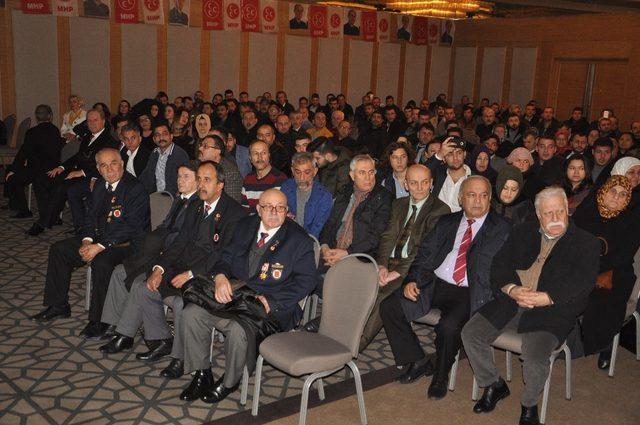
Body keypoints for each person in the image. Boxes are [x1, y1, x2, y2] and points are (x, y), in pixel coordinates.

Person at [461, 187, 600, 425]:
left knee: (534, 359)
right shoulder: (522, 232)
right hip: (511, 303)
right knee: (470, 334)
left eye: (560, 211)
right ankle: (494, 384)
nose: (555, 218)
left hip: (551, 313)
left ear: (568, 210)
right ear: (538, 214)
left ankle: (528, 405)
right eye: (548, 213)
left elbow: (583, 285)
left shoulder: (587, 243)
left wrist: (547, 297)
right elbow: (499, 266)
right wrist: (512, 289)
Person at [100, 162, 245, 378]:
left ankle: (180, 358)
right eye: (200, 179)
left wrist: (191, 274)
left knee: (179, 303)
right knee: (144, 285)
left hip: (209, 273)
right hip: (183, 265)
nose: (201, 185)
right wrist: (159, 269)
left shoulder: (234, 213)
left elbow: (222, 255)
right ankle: (161, 340)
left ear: (221, 185)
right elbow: (179, 244)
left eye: (207, 180)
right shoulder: (197, 206)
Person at [178, 189, 317, 403]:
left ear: (287, 211)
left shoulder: (299, 240)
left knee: (236, 329)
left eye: (280, 207)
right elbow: (224, 256)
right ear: (258, 209)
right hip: (238, 294)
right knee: (191, 312)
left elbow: (307, 280)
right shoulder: (245, 226)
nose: (274, 212)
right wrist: (221, 276)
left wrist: (272, 301)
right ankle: (202, 372)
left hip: (273, 305)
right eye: (268, 207)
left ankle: (229, 382)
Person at [380, 176, 510, 399]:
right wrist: (412, 280)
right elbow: (424, 255)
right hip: (435, 283)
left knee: (449, 327)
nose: (478, 201)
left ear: (491, 198)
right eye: (471, 195)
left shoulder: (503, 229)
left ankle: (440, 376)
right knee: (390, 306)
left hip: (469, 291)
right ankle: (418, 360)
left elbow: (506, 270)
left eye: (484, 195)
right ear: (461, 198)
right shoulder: (447, 222)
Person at [30, 148, 150, 338]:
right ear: (98, 169)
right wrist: (87, 240)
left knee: (101, 261)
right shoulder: (101, 185)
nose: (109, 169)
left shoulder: (135, 188)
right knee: (59, 249)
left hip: (128, 245)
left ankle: (99, 320)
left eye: (113, 163)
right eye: (103, 165)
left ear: (122, 164)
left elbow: (132, 227)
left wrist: (99, 246)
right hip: (100, 239)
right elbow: (90, 218)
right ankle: (58, 305)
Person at [97, 161, 200, 348]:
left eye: (186, 177)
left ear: (199, 181)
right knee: (120, 271)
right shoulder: (180, 198)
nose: (180, 180)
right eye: (178, 176)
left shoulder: (198, 205)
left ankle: (125, 334)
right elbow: (165, 226)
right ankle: (112, 325)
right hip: (158, 251)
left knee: (139, 282)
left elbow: (182, 240)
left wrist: (159, 249)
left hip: (171, 257)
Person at [361, 165, 450, 351]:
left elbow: (424, 250)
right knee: (359, 285)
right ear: (406, 184)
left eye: (424, 182)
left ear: (431, 184)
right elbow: (387, 236)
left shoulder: (440, 211)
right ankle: (337, 331)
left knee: (383, 296)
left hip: (413, 268)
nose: (419, 187)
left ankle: (357, 344)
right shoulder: (399, 204)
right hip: (389, 263)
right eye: (414, 183)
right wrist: (382, 265)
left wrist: (398, 272)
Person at [573, 176, 640, 370]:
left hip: (616, 269)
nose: (617, 197)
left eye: (623, 194)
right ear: (604, 192)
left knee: (604, 297)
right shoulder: (586, 212)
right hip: (583, 265)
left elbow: (624, 254)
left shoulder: (631, 220)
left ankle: (605, 343)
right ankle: (561, 335)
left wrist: (595, 268)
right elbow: (572, 241)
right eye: (613, 192)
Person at [44, 109, 119, 234]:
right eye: (89, 121)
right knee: (52, 180)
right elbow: (78, 156)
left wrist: (82, 172)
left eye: (95, 120)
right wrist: (62, 167)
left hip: (97, 176)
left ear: (103, 121)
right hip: (81, 172)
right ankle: (52, 219)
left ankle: (53, 222)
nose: (92, 123)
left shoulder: (108, 140)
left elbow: (104, 165)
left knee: (70, 189)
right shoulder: (87, 137)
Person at [319, 154, 393, 267]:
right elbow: (329, 223)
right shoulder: (344, 191)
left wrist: (346, 253)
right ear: (352, 175)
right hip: (333, 252)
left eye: (371, 172)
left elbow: (375, 237)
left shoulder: (384, 198)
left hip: (361, 258)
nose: (368, 177)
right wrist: (325, 247)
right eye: (362, 172)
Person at [5, 105, 62, 224]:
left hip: (34, 170)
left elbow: (23, 153)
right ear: (50, 116)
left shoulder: (32, 132)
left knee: (13, 178)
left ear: (36, 117)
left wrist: (14, 169)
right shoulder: (55, 131)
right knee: (15, 176)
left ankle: (23, 210)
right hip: (51, 170)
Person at [279, 153, 332, 238]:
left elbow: (316, 231)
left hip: (309, 240)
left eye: (307, 172)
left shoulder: (323, 196)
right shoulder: (286, 187)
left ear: (315, 171)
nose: (302, 177)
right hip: (286, 235)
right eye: (298, 172)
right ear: (292, 171)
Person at [139, 121, 190, 195]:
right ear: (154, 139)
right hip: (155, 196)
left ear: (171, 136)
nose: (161, 137)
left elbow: (186, 180)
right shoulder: (154, 154)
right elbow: (146, 176)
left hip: (172, 198)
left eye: (165, 134)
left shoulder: (180, 155)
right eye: (157, 135)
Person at [426, 136, 472, 212]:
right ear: (444, 158)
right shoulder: (438, 172)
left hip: (459, 221)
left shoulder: (474, 178)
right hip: (435, 220)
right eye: (450, 154)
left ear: (464, 154)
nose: (455, 157)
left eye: (459, 153)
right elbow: (418, 173)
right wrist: (439, 154)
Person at [241, 140, 287, 210]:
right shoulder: (248, 179)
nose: (260, 157)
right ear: (250, 158)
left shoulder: (280, 179)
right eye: (255, 153)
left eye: (263, 153)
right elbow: (244, 210)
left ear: (269, 155)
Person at [197, 135, 243, 203]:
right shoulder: (199, 166)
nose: (200, 148)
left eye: (205, 146)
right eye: (201, 145)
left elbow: (232, 203)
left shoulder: (230, 173)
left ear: (218, 151)